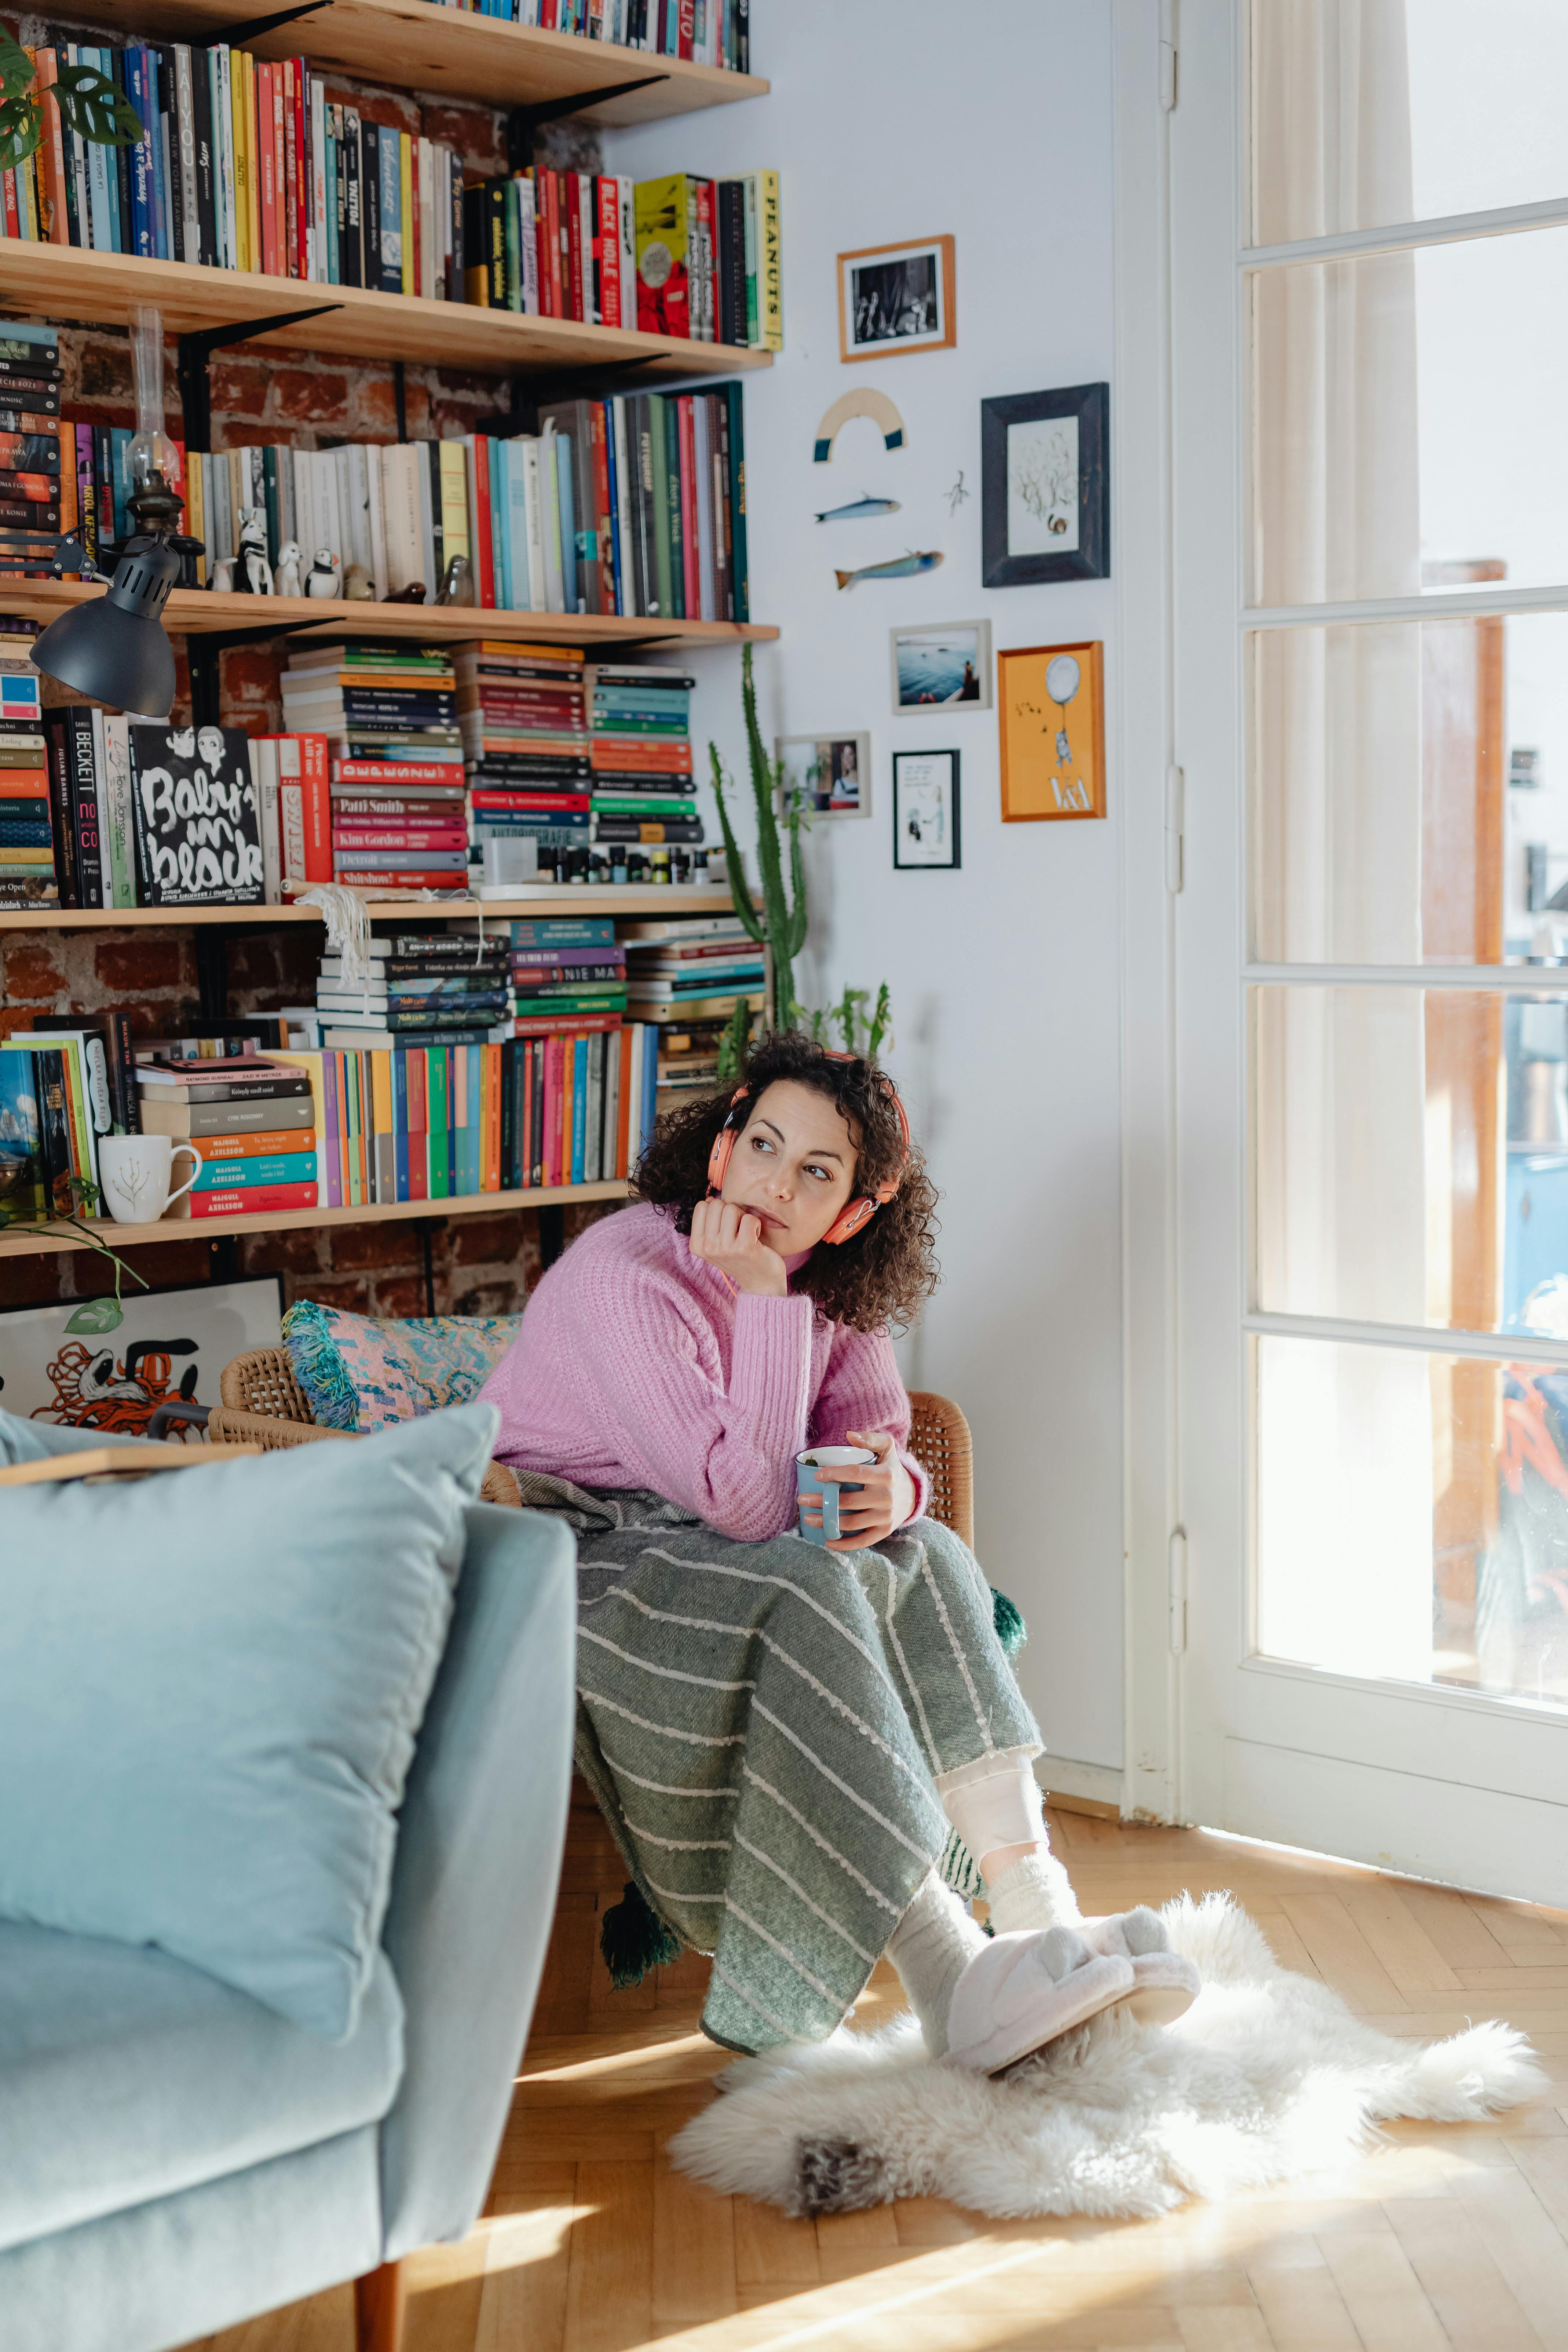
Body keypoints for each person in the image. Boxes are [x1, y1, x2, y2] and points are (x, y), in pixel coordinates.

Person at [480, 1032, 1196, 2069]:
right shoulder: (624, 1277)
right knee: (810, 1591)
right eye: (763, 1144)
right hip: (573, 1539)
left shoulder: (832, 1286)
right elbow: (743, 1499)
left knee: (930, 1554)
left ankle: (1040, 1916)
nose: (775, 1183)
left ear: (855, 1210)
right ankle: (949, 1977)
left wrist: (890, 1488)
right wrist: (763, 1303)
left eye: (815, 1171)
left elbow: (876, 1437)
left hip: (718, 1529)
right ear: (720, 1145)